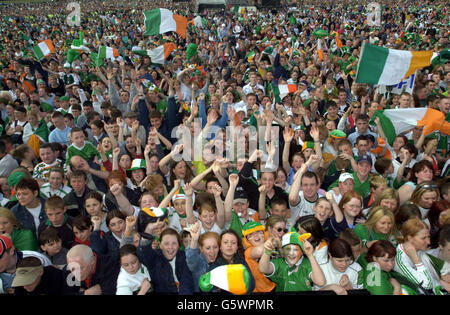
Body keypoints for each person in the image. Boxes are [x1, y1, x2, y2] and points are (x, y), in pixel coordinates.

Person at [394, 218, 449, 293]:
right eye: (423, 238)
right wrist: (416, 260)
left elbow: (440, 270)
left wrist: (441, 279)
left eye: (428, 237)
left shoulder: (420, 251)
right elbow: (427, 285)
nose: (429, 242)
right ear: (410, 238)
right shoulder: (399, 259)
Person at [259, 232, 325, 292]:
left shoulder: (307, 263)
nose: (291, 253)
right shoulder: (279, 263)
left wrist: (310, 255)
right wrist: (267, 251)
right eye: (287, 249)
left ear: (302, 251)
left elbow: (320, 282)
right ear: (282, 251)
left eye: (296, 249)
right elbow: (263, 269)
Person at [135, 226, 194, 294]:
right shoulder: (154, 257)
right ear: (160, 244)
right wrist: (146, 237)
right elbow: (143, 254)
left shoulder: (184, 257)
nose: (170, 247)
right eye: (166, 243)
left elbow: (186, 283)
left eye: (174, 243)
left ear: (179, 245)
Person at [185, 221, 220, 293]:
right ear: (201, 248)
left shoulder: (221, 262)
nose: (212, 251)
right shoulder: (198, 262)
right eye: (208, 248)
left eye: (215, 247)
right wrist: (194, 240)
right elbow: (191, 259)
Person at [242, 221, 276, 293]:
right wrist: (273, 239)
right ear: (247, 240)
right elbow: (260, 250)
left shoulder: (271, 245)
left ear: (264, 234)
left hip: (275, 285)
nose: (256, 236)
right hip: (261, 290)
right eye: (250, 234)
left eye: (258, 232)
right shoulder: (248, 251)